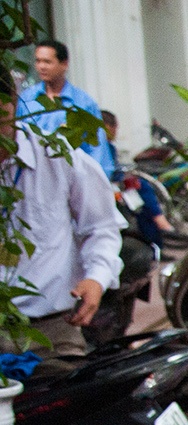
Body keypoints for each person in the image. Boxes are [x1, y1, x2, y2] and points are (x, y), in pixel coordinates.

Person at [0, 91, 122, 362]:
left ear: (14, 103)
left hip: (51, 329)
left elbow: (101, 226)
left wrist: (97, 277)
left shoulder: (57, 155)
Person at [17, 41, 115, 175]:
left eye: (47, 62)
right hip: (34, 174)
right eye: (38, 61)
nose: (41, 67)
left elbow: (97, 148)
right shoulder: (26, 98)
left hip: (72, 175)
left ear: (64, 64)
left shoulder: (83, 102)